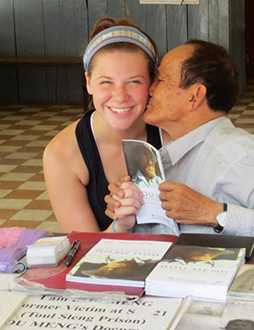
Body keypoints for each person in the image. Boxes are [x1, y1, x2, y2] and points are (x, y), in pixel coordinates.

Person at [106, 40, 254, 243]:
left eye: (161, 79)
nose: (150, 89)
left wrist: (211, 212)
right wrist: (126, 219)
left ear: (194, 96)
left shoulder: (237, 152)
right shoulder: (168, 155)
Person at [43, 16, 166, 233]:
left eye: (134, 81)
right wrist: (120, 225)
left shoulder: (172, 135)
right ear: (89, 82)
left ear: (152, 82)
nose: (120, 96)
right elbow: (85, 250)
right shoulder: (63, 153)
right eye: (106, 82)